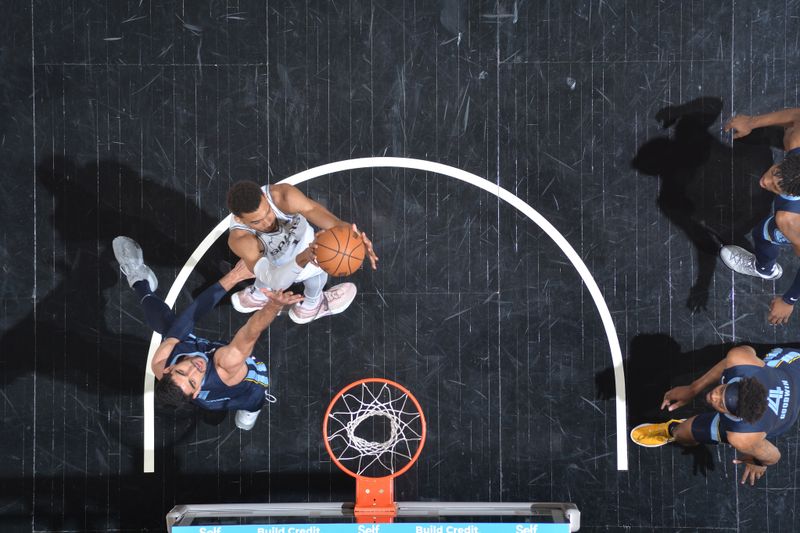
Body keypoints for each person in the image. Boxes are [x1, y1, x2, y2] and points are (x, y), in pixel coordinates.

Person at [112, 236, 303, 430]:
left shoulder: (159, 364)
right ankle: (252, 410)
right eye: (193, 381)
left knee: (170, 326)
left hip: (200, 369)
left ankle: (139, 282)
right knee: (253, 400)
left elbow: (189, 318)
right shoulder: (225, 366)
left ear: (168, 370)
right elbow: (249, 333)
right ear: (196, 392)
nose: (195, 368)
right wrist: (272, 307)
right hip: (248, 385)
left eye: (182, 371)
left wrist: (234, 276)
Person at [630, 345, 800, 485]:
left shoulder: (743, 436)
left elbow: (774, 456)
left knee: (682, 434)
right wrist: (693, 389)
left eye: (721, 403)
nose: (713, 396)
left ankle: (674, 429)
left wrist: (758, 463)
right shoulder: (740, 358)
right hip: (794, 363)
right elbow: (729, 362)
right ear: (741, 381)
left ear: (737, 416)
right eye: (722, 389)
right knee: (682, 433)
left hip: (785, 415)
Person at [225, 180, 379, 324]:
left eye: (268, 213)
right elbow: (275, 280)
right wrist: (304, 257)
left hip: (298, 247)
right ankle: (310, 307)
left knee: (262, 272)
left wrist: (356, 237)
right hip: (279, 269)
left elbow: (328, 219)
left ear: (265, 197)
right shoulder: (241, 239)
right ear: (239, 219)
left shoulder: (283, 196)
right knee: (318, 269)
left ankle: (255, 297)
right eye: (256, 221)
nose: (268, 222)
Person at [719, 108, 800, 324]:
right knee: (788, 133)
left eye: (776, 187)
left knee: (764, 232)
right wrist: (752, 122)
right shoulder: (796, 139)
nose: (765, 182)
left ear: (794, 195)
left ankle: (764, 269)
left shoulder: (789, 219)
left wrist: (789, 300)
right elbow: (797, 116)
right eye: (774, 174)